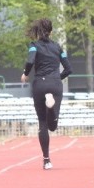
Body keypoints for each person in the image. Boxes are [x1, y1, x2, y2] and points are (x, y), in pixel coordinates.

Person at [21, 18, 72, 170]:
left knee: (43, 123)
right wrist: (57, 78)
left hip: (39, 84)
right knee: (53, 126)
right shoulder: (58, 47)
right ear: (51, 31)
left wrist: (25, 73)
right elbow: (69, 69)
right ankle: (51, 108)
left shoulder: (34, 46)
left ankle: (46, 160)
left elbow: (30, 61)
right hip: (55, 84)